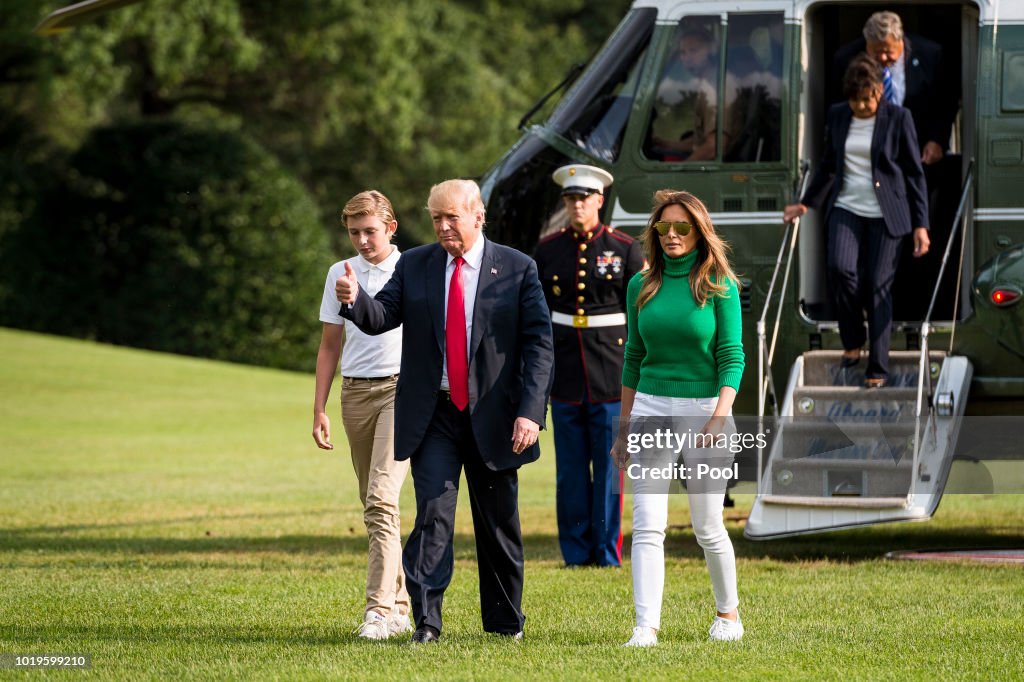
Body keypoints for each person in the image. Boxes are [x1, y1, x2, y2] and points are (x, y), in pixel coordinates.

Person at [335, 179, 554, 644]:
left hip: (495, 416)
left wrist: (530, 412)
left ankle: (504, 623)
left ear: (478, 216)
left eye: (452, 217)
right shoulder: (416, 264)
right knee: (432, 516)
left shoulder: (517, 268)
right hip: (434, 413)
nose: (443, 226)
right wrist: (355, 301)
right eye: (436, 218)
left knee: (497, 524)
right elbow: (382, 318)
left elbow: (539, 346)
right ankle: (427, 623)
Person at [611, 190, 746, 646]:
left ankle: (728, 616)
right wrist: (625, 426)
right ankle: (645, 627)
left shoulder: (719, 284)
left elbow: (732, 356)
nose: (671, 234)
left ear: (698, 231)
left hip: (706, 410)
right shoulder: (640, 285)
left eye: (682, 227)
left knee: (708, 525)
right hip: (650, 407)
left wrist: (719, 414)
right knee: (648, 523)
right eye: (663, 227)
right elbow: (634, 357)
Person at [784, 54, 930, 388]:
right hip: (846, 207)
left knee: (878, 286)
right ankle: (853, 338)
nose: (863, 106)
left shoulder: (899, 118)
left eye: (868, 99)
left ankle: (878, 365)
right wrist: (806, 204)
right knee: (839, 269)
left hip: (887, 214)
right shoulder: (838, 116)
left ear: (880, 92)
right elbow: (828, 165)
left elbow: (914, 174)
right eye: (856, 100)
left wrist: (921, 224)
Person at [533, 164, 644, 568]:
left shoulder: (624, 248)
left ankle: (606, 552)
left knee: (611, 471)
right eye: (570, 198)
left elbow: (640, 316)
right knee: (571, 474)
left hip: (611, 377)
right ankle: (576, 553)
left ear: (599, 200)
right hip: (565, 376)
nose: (577, 205)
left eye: (584, 198)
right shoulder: (547, 250)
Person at [312, 190, 411, 641]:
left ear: (390, 227)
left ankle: (377, 611)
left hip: (400, 391)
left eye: (370, 231)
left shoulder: (411, 269)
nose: (362, 240)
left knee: (381, 499)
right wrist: (320, 407)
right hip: (354, 394)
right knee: (376, 507)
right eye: (354, 233)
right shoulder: (340, 272)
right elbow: (330, 345)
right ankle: (402, 608)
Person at [833, 11, 955, 168]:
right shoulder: (845, 59)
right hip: (867, 153)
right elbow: (837, 107)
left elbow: (946, 102)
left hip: (919, 152)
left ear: (900, 40)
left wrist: (937, 140)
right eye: (876, 52)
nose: (882, 58)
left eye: (887, 51)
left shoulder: (931, 55)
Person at [646, 21, 721, 162]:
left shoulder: (716, 89)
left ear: (712, 51)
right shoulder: (706, 85)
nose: (687, 58)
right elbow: (700, 142)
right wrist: (667, 144)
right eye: (683, 52)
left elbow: (713, 146)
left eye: (694, 50)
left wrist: (680, 170)